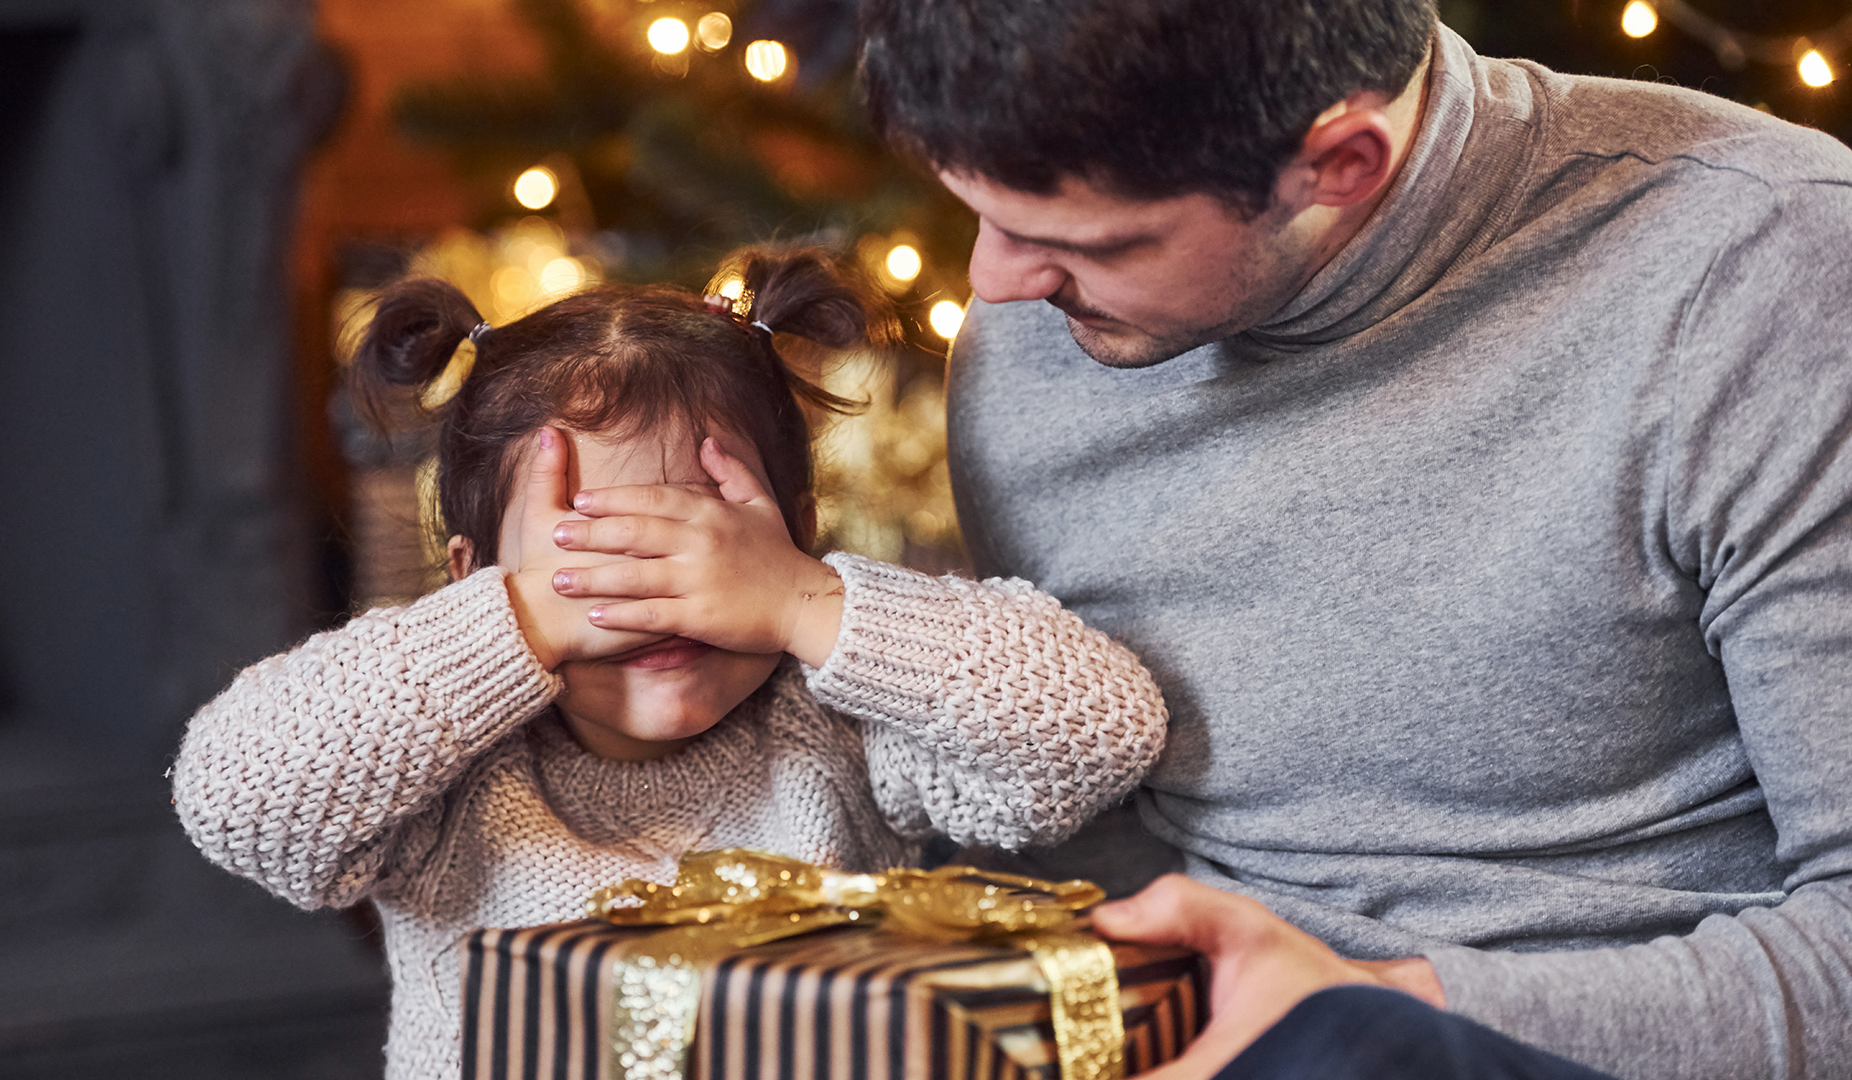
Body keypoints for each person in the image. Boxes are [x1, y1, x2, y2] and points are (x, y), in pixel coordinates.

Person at [848, 1, 1852, 1078]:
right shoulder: (1035, 350)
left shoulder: (1770, 271)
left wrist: (1378, 1015)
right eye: (982, 217)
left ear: (1341, 162)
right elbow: (1081, 855)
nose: (994, 285)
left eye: (1080, 241)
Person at [169, 249, 1169, 1080]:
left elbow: (1097, 730)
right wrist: (510, 623)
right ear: (475, 578)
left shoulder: (836, 724)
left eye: (702, 544)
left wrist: (800, 602)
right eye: (591, 552)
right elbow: (238, 796)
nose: (660, 595)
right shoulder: (449, 771)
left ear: (789, 538)